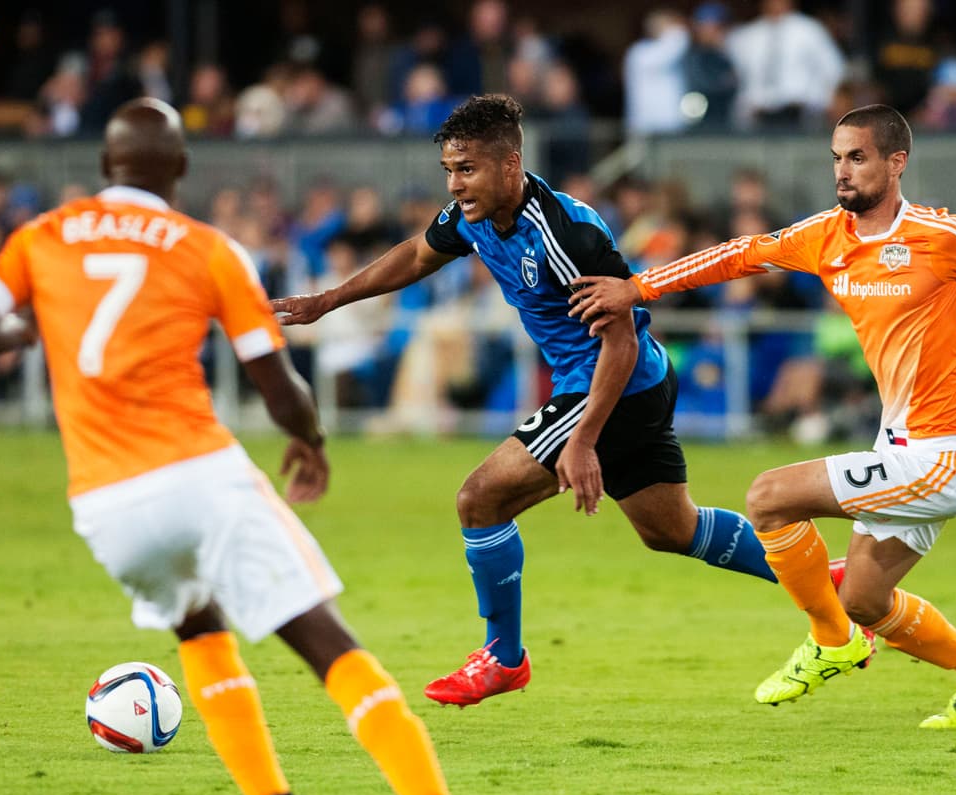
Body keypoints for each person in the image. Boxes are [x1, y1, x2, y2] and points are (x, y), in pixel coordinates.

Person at [0, 98, 500, 795]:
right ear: (179, 171)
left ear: (105, 166)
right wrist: (311, 437)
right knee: (326, 644)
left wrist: (36, 324)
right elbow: (274, 383)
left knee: (201, 630)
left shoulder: (45, 236)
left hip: (105, 503)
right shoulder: (205, 248)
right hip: (198, 475)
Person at [569, 104, 956, 729]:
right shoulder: (826, 236)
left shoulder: (940, 236)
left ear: (896, 162)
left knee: (770, 496)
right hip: (900, 445)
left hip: (945, 456)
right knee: (864, 599)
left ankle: (831, 643)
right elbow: (738, 255)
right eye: (836, 157)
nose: (842, 171)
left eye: (857, 157)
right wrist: (638, 287)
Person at [270, 94, 789, 708]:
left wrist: (586, 439)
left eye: (467, 169)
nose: (455, 184)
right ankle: (832, 584)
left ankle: (504, 658)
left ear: (510, 164)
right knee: (673, 530)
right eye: (449, 171)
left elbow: (619, 338)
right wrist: (328, 300)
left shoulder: (566, 233)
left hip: (610, 384)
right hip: (629, 384)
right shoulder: (472, 216)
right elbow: (415, 255)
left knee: (480, 498)